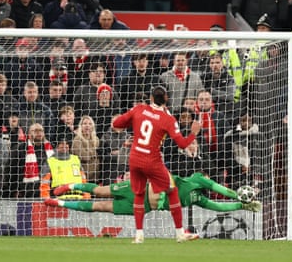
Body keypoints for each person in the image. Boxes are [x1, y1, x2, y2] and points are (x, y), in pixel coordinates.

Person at [112, 85, 201, 243]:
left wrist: (133, 121)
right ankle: (180, 233)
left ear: (151, 98)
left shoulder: (138, 109)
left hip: (134, 158)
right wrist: (193, 133)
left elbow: (117, 124)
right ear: (166, 100)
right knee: (172, 190)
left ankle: (139, 235)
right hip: (152, 160)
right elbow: (181, 144)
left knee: (139, 194)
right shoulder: (168, 119)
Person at [44, 172, 262, 215]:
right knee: (101, 190)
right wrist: (237, 195)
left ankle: (59, 204)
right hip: (137, 188)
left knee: (101, 207)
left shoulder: (199, 199)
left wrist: (240, 205)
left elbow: (218, 205)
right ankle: (70, 186)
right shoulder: (197, 178)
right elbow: (219, 189)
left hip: (143, 206)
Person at [40, 134, 90, 199]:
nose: (65, 145)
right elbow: (44, 183)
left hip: (79, 199)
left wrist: (87, 196)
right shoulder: (50, 161)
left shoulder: (75, 159)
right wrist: (45, 199)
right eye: (61, 143)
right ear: (57, 146)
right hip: (60, 199)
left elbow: (83, 180)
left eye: (66, 144)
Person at [21, 122, 54, 198]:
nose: (39, 133)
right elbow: (13, 170)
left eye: (41, 130)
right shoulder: (21, 148)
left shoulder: (51, 148)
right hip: (28, 191)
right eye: (35, 131)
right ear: (29, 133)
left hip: (48, 190)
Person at [71, 115, 100, 185]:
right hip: (82, 175)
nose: (87, 126)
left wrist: (91, 153)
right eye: (85, 123)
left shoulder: (96, 139)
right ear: (81, 126)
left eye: (90, 124)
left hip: (95, 175)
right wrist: (94, 152)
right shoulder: (77, 140)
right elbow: (84, 156)